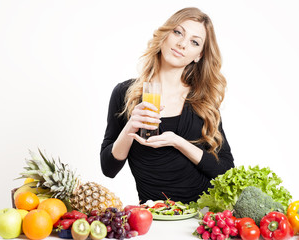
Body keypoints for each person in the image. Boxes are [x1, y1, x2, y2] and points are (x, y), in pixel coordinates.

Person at [100, 7, 234, 203]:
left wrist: (177, 142)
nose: (182, 44)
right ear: (165, 34)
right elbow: (108, 169)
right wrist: (131, 126)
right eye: (178, 32)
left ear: (198, 55)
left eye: (194, 42)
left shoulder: (202, 101)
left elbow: (225, 170)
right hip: (153, 219)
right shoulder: (125, 93)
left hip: (202, 219)